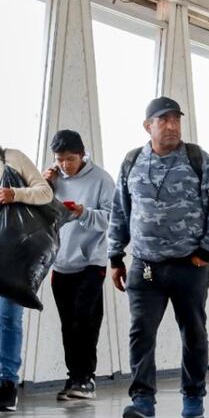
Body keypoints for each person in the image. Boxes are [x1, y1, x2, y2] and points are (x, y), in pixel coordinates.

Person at [108, 97, 209, 418]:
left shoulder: (198, 159)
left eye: (176, 119)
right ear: (147, 126)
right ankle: (142, 400)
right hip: (144, 265)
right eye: (163, 120)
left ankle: (193, 395)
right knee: (141, 332)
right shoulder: (132, 162)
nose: (171, 126)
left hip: (189, 265)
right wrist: (115, 255)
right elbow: (120, 210)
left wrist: (206, 251)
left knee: (193, 331)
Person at [44, 130, 115, 401]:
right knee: (68, 324)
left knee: (86, 319)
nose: (65, 165)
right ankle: (74, 377)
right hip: (61, 262)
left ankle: (87, 379)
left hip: (91, 262)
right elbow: (41, 213)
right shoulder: (53, 179)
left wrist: (83, 213)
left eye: (70, 159)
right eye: (59, 159)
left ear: (82, 154)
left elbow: (111, 219)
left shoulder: (102, 180)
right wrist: (46, 186)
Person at [0, 146, 54, 412]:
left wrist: (15, 194)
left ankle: (7, 383)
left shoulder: (12, 158)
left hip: (11, 255)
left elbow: (45, 193)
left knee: (8, 318)